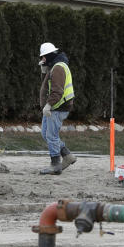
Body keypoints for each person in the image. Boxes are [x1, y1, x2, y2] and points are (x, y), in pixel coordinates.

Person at [37, 42, 76, 175]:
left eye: (43, 57)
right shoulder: (54, 67)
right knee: (45, 134)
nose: (42, 59)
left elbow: (57, 91)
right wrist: (44, 71)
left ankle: (55, 165)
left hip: (58, 106)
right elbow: (47, 85)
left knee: (51, 136)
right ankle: (67, 155)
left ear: (48, 55)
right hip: (55, 106)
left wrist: (49, 105)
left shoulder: (58, 68)